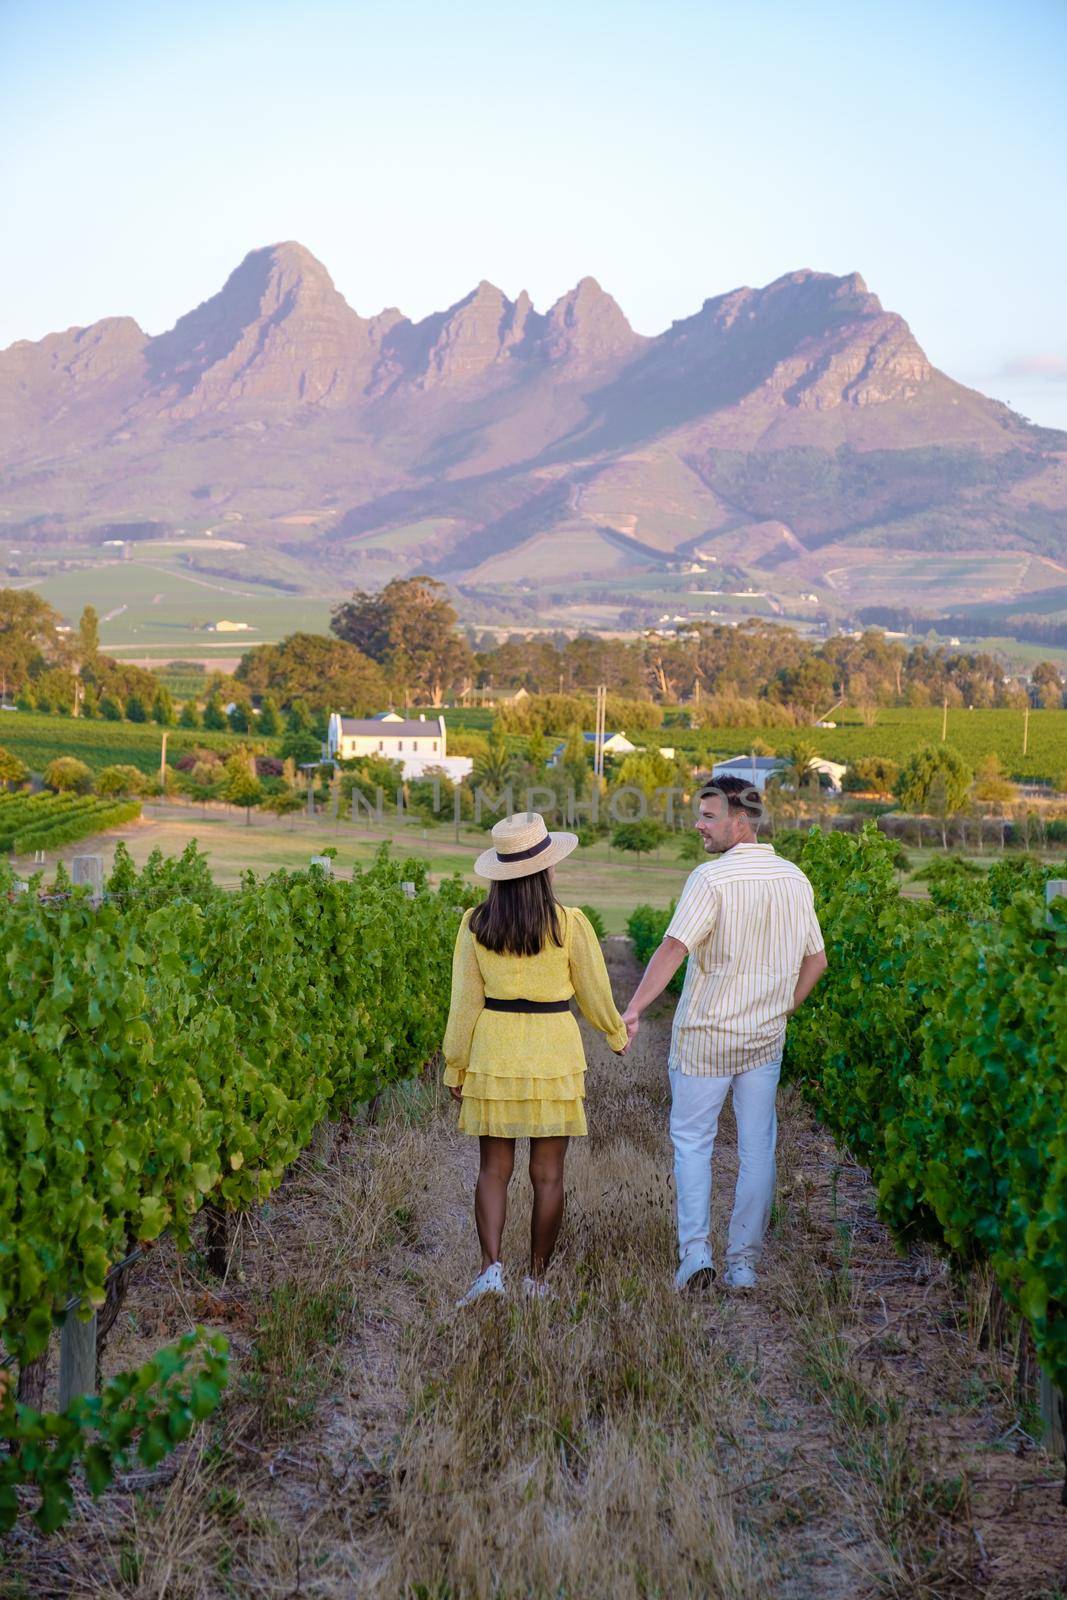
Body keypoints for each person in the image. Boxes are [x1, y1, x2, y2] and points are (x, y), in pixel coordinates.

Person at [621, 776, 827, 1292]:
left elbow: (673, 949)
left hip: (705, 1039)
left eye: (708, 816)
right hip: (764, 1041)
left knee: (693, 1144)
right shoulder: (794, 879)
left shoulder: (710, 880)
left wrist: (633, 1008)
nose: (698, 824)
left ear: (740, 820)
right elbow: (817, 961)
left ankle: (695, 1256)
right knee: (758, 1148)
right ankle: (743, 1265)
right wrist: (783, 1009)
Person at [443, 812, 629, 1307]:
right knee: (548, 1175)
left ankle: (490, 1273)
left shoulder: (475, 923)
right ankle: (538, 1280)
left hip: (495, 1051)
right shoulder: (570, 924)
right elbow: (593, 991)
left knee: (492, 1170)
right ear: (546, 868)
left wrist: (455, 1065)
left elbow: (464, 1004)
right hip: (553, 1051)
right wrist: (615, 1032)